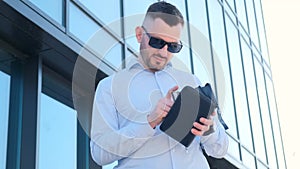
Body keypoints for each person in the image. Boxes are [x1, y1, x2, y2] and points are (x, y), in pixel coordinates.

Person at [90, 1, 228, 169]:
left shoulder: (192, 82)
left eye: (173, 46)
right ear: (140, 35)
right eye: (156, 42)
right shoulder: (109, 87)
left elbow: (220, 149)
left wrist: (208, 130)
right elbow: (99, 153)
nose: (163, 52)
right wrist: (148, 122)